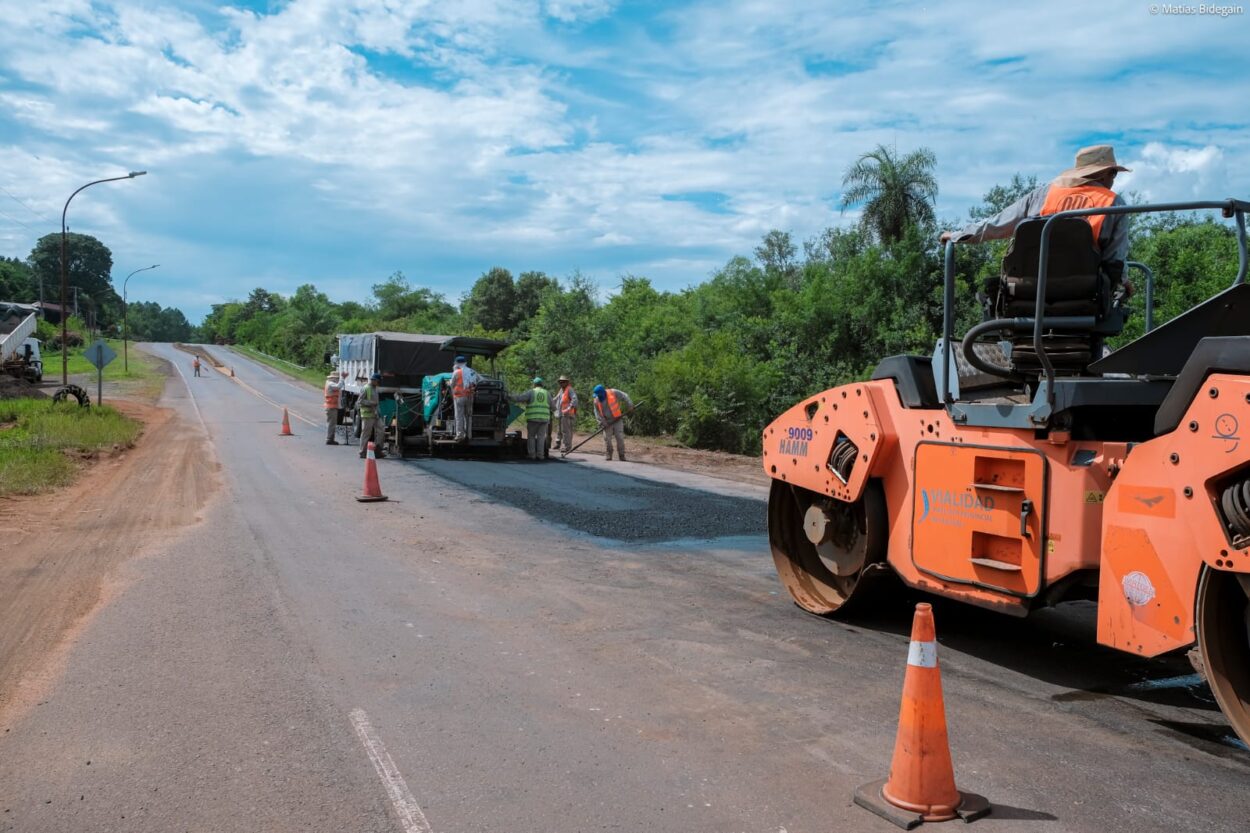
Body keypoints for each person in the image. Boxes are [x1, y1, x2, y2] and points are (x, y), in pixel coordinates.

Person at [941, 144, 1131, 282]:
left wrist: (957, 235)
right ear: (1103, 174)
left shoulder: (1043, 194)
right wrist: (1122, 282)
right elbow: (1114, 262)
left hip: (1029, 288)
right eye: (1113, 173)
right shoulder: (1114, 204)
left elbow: (997, 225)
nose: (1113, 180)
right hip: (1086, 292)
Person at [509, 377, 553, 460]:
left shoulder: (531, 392)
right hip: (544, 419)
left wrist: (509, 397)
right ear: (542, 384)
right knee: (541, 437)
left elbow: (520, 398)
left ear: (534, 384)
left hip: (533, 419)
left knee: (531, 437)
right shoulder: (547, 393)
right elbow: (553, 406)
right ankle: (540, 455)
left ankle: (532, 455)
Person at [592, 384, 633, 461]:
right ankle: (609, 454)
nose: (598, 397)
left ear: (603, 393)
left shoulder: (613, 392)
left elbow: (625, 396)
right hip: (606, 421)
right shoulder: (596, 400)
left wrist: (630, 404)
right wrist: (602, 423)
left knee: (620, 437)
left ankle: (621, 455)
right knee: (607, 439)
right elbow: (597, 413)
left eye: (599, 395)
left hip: (617, 419)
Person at [357, 371, 386, 459]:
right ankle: (362, 452)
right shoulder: (366, 388)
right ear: (373, 380)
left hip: (375, 414)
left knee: (381, 430)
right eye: (378, 381)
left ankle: (378, 450)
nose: (379, 383)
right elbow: (360, 401)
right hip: (367, 415)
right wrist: (371, 403)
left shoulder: (375, 389)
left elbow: (376, 403)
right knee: (366, 433)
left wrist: (379, 412)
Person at [450, 355, 479, 442]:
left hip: (459, 397)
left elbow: (452, 384)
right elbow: (476, 382)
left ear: (457, 363)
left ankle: (460, 435)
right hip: (470, 397)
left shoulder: (457, 372)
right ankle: (469, 435)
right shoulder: (472, 371)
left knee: (459, 416)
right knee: (468, 416)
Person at [553, 375, 578, 453]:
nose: (561, 383)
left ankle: (567, 446)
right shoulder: (561, 390)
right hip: (561, 414)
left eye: (563, 382)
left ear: (567, 382)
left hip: (567, 414)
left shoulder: (569, 389)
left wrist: (568, 408)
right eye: (560, 382)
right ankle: (558, 443)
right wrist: (549, 402)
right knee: (559, 430)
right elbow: (556, 398)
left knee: (566, 431)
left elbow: (575, 400)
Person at [323, 371, 344, 445]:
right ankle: (329, 439)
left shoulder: (330, 383)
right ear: (334, 378)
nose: (338, 380)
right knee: (331, 424)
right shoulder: (331, 384)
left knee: (332, 423)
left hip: (332, 407)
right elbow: (338, 386)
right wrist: (343, 379)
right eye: (337, 379)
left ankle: (330, 438)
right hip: (331, 407)